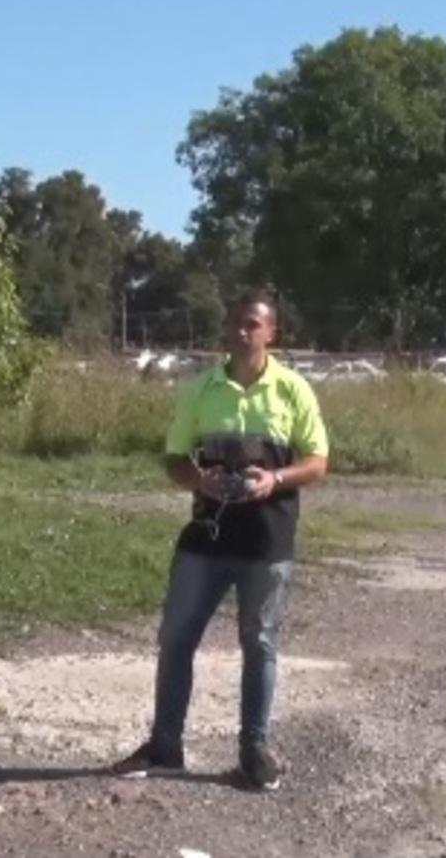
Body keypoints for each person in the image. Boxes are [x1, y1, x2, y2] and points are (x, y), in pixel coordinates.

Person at [109, 290, 329, 791]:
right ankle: (165, 746)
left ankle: (254, 752)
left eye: (253, 323)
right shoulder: (200, 389)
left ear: (272, 332)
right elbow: (174, 458)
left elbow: (317, 461)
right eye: (235, 322)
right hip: (206, 537)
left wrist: (274, 479)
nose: (242, 331)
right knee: (176, 638)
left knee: (260, 643)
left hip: (267, 539)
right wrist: (198, 480)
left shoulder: (292, 389)